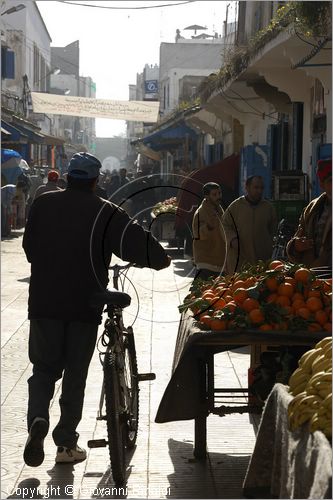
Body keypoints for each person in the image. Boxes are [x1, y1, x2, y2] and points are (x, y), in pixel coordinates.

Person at [22, 152, 170, 468]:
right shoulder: (105, 212)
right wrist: (159, 259)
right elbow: (140, 245)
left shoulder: (43, 205)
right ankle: (65, 444)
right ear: (95, 180)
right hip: (84, 306)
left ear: (67, 176)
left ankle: (37, 418)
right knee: (75, 375)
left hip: (45, 304)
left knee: (44, 370)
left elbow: (30, 250)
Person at [222, 175, 277, 274]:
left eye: (261, 188)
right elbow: (224, 225)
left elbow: (273, 230)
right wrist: (232, 238)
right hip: (239, 261)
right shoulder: (236, 206)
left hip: (261, 261)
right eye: (256, 187)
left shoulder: (268, 208)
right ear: (247, 188)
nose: (259, 191)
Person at [286, 159, 332, 267]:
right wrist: (296, 246)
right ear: (322, 185)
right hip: (313, 278)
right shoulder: (312, 210)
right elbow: (296, 243)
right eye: (331, 181)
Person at [192, 182, 226, 281]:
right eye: (214, 194)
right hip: (205, 262)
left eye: (219, 193)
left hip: (219, 261)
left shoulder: (220, 210)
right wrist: (208, 227)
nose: (218, 196)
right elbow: (197, 234)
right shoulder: (200, 212)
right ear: (207, 196)